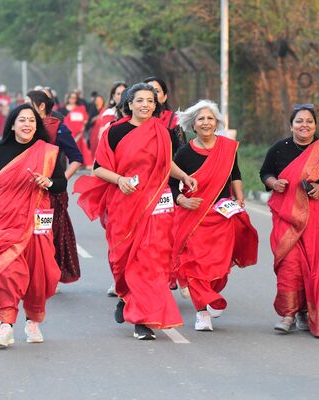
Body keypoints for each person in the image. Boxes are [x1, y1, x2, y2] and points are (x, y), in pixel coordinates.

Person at [74, 83, 196, 340]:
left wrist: (184, 176)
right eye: (139, 100)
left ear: (156, 105)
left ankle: (142, 321)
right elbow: (98, 169)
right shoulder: (114, 133)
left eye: (150, 101)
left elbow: (166, 163)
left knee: (150, 262)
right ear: (129, 104)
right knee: (122, 261)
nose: (145, 105)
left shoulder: (161, 132)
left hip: (156, 205)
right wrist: (119, 180)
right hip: (124, 204)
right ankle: (125, 295)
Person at [0, 103, 67, 347]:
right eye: (22, 120)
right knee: (8, 271)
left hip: (38, 221)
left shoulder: (49, 152)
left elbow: (61, 184)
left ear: (36, 126)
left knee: (40, 274)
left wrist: (47, 182)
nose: (27, 124)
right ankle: (6, 325)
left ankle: (33, 321)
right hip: (5, 220)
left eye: (31, 121)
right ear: (13, 124)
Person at [170, 99, 258, 332]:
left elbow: (235, 174)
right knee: (196, 266)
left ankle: (210, 296)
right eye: (201, 119)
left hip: (222, 215)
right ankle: (202, 312)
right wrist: (183, 200)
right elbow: (170, 183)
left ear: (217, 122)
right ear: (193, 124)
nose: (206, 123)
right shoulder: (185, 153)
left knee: (219, 268)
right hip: (194, 216)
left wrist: (239, 198)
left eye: (210, 118)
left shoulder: (228, 149)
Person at [259, 104, 319, 338]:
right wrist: (274, 183)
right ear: (291, 124)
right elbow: (265, 173)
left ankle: (307, 312)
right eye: (299, 121)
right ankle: (288, 314)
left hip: (316, 217)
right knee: (290, 265)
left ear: (315, 125)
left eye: (309, 121)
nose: (304, 125)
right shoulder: (279, 149)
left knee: (315, 266)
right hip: (286, 215)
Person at [27, 90, 83, 284]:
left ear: (41, 106)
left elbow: (77, 159)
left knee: (47, 233)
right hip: (24, 191)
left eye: (28, 102)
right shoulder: (21, 127)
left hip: (51, 193)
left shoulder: (57, 128)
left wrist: (59, 181)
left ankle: (47, 273)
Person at [96, 81, 127, 297]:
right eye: (118, 93)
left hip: (146, 193)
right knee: (117, 236)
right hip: (114, 185)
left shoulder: (155, 128)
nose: (122, 96)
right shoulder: (110, 123)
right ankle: (118, 277)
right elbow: (101, 161)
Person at [144, 77, 187, 154]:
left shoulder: (174, 120)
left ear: (164, 97)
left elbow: (182, 152)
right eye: (148, 91)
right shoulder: (136, 120)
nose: (152, 95)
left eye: (156, 91)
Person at [61, 91, 92, 169]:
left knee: (82, 148)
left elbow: (85, 119)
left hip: (79, 133)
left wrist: (83, 127)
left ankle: (83, 163)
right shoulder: (63, 109)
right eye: (71, 98)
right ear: (68, 98)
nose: (73, 100)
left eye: (75, 98)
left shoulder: (80, 108)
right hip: (68, 133)